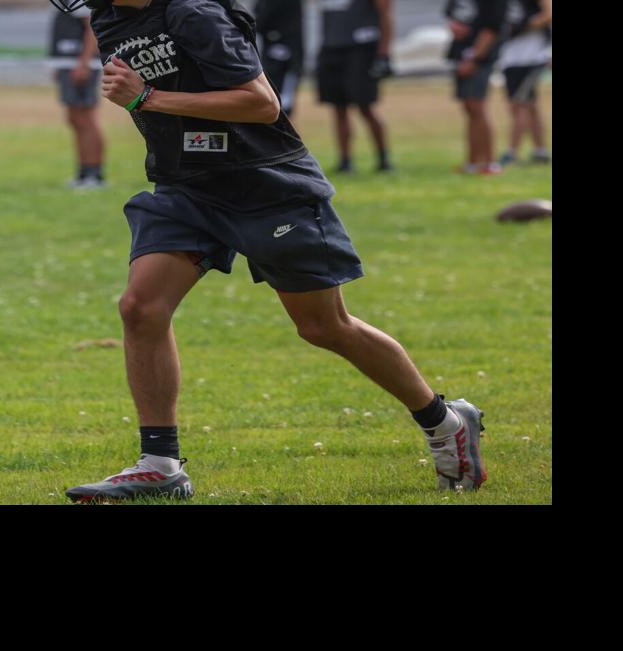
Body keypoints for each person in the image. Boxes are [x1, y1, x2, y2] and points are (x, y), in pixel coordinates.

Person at [51, 0, 486, 503]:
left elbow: (261, 103)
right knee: (140, 308)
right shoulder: (109, 18)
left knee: (323, 326)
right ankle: (160, 464)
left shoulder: (194, 13)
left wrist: (147, 97)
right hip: (186, 186)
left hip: (265, 183)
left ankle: (444, 421)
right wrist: (150, 104)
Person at [316, 0, 392, 174]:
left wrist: (384, 54)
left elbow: (386, 15)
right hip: (331, 48)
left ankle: (383, 158)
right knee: (338, 107)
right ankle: (345, 160)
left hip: (361, 49)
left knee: (365, 107)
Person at [48, 3, 106, 187]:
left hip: (79, 62)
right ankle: (83, 173)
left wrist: (84, 62)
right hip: (69, 61)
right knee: (75, 119)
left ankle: (94, 175)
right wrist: (58, 63)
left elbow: (91, 27)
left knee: (85, 118)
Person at [445, 0, 505, 175]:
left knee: (477, 105)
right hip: (460, 52)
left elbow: (492, 28)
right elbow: (452, 14)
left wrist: (474, 58)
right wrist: (454, 26)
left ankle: (490, 162)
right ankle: (472, 162)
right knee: (469, 108)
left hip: (481, 57)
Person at [497, 0, 551, 166]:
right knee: (528, 105)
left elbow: (549, 13)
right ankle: (540, 151)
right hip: (510, 58)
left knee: (519, 104)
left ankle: (512, 152)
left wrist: (522, 28)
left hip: (532, 57)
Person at [254, 0, 302, 118]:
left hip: (285, 53)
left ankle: (286, 134)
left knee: (283, 104)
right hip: (278, 51)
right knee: (279, 101)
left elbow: (261, 20)